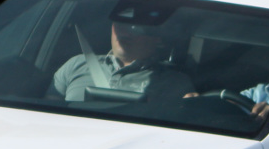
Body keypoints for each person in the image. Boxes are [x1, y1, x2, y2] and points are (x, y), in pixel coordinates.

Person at [52, 21, 193, 102]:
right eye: (120, 24)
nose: (125, 32)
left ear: (157, 37)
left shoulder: (174, 83)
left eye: (136, 27)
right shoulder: (77, 64)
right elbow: (47, 107)